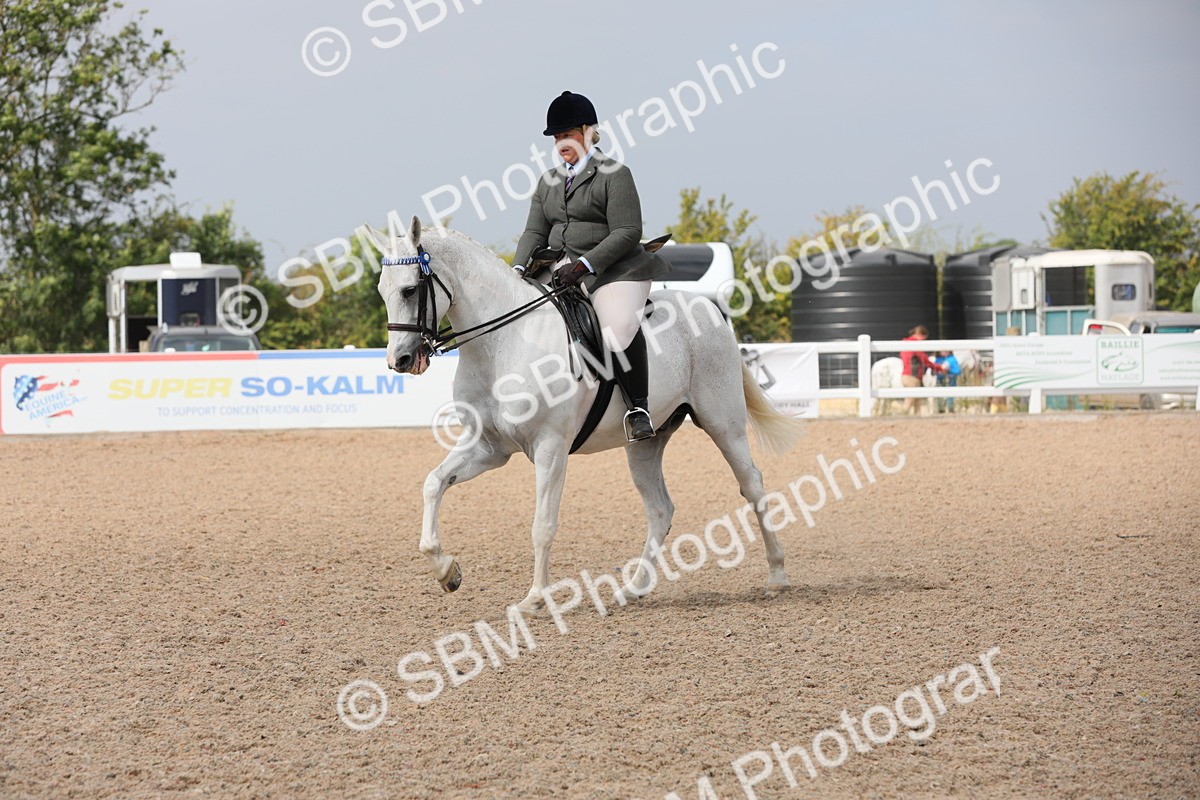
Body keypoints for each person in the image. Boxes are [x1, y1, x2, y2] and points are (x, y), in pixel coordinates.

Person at [512, 91, 672, 441]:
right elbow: (534, 230)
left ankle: (638, 408)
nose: (560, 144)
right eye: (556, 137)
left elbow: (629, 231)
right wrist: (517, 269)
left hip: (614, 268)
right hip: (559, 265)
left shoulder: (615, 174)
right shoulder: (548, 180)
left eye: (567, 135)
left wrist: (584, 265)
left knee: (616, 325)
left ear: (588, 131)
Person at [899, 325, 944, 414]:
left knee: (917, 402)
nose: (923, 341)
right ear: (920, 334)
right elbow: (924, 359)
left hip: (905, 375)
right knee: (909, 402)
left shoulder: (905, 343)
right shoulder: (915, 344)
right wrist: (939, 367)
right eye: (924, 339)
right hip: (913, 376)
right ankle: (901, 418)